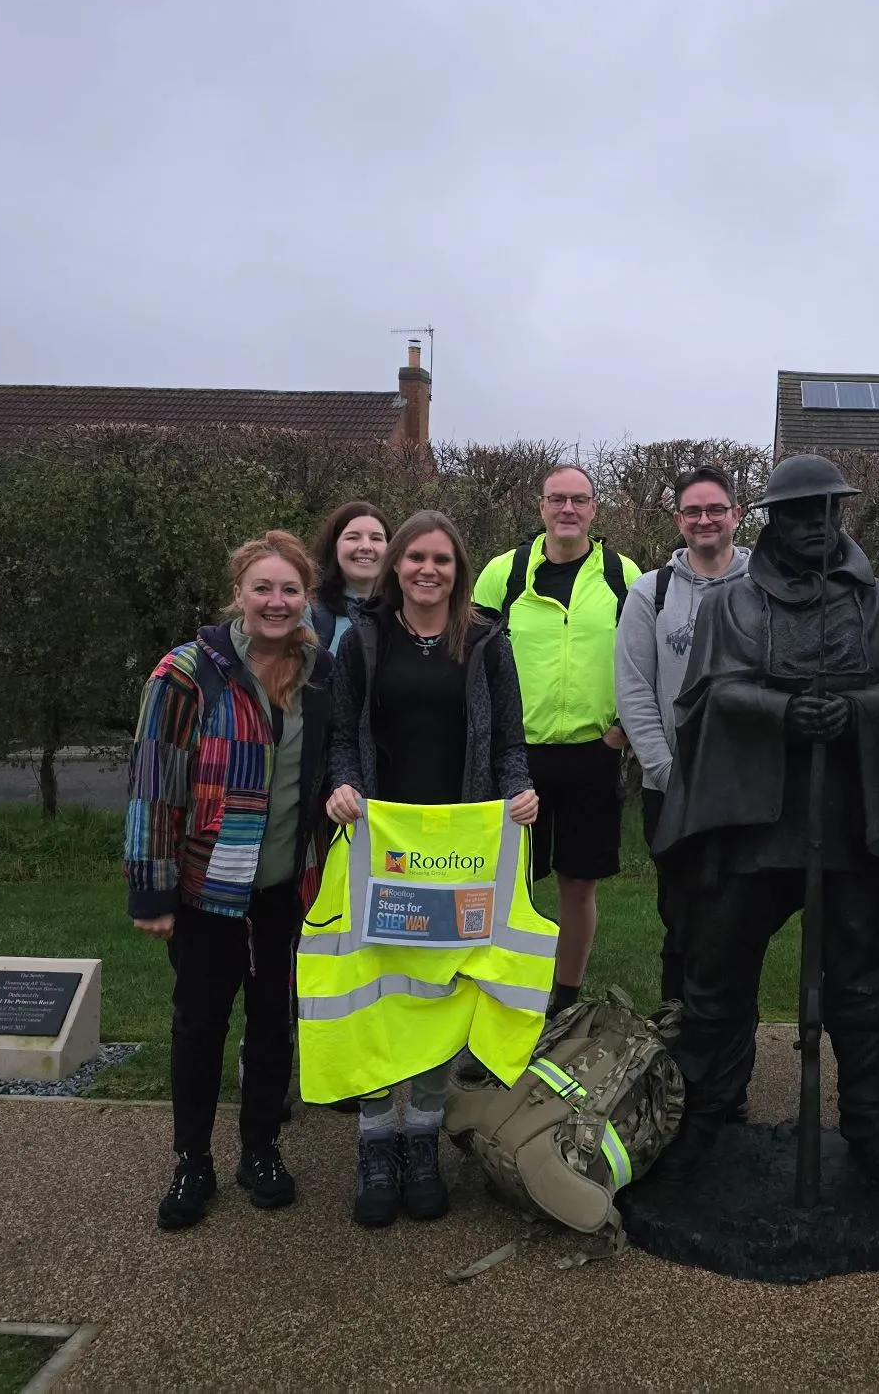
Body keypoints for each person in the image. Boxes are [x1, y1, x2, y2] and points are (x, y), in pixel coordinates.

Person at [651, 454, 879, 1194]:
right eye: (799, 513)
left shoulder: (877, 602)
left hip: (844, 824)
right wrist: (781, 711)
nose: (816, 526)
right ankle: (706, 1120)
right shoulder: (731, 604)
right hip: (750, 822)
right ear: (773, 521)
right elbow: (705, 698)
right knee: (714, 980)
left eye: (826, 511)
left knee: (861, 986)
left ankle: (871, 1132)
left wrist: (853, 712)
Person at [324, 511, 537, 1228]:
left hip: (461, 847)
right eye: (415, 557)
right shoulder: (363, 640)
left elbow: (510, 737)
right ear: (396, 567)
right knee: (383, 989)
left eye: (441, 560)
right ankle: (376, 1142)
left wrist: (519, 790)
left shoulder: (485, 642)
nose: (427, 570)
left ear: (458, 568)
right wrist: (343, 784)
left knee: (440, 991)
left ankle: (423, 1138)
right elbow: (341, 733)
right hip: (382, 844)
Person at [125, 530, 334, 1231]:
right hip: (205, 887)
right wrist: (151, 891)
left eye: (289, 589)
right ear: (239, 594)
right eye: (263, 588)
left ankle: (260, 1150)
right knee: (200, 1024)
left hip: (288, 886)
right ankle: (192, 1160)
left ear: (307, 597)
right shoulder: (186, 673)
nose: (276, 602)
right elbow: (155, 780)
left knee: (274, 1022)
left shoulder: (320, 672)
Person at [473, 464, 641, 1017]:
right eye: (557, 499)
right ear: (541, 507)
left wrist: (620, 732)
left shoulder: (623, 576)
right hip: (516, 757)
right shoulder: (504, 573)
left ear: (595, 509)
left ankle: (563, 1001)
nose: (568, 509)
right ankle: (504, 997)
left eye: (580, 500)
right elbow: (472, 663)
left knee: (578, 883)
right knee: (505, 887)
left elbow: (643, 660)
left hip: (595, 753)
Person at [613, 465, 750, 1005]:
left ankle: (729, 1051)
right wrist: (668, 773)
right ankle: (677, 1040)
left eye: (716, 508)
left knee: (740, 923)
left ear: (736, 515)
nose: (705, 519)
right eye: (693, 511)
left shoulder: (766, 583)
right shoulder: (653, 591)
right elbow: (633, 688)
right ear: (678, 519)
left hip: (750, 792)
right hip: (672, 790)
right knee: (682, 917)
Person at [308, 501, 391, 653]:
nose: (366, 546)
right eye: (353, 537)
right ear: (334, 545)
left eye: (376, 538)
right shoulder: (307, 609)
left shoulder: (404, 613)